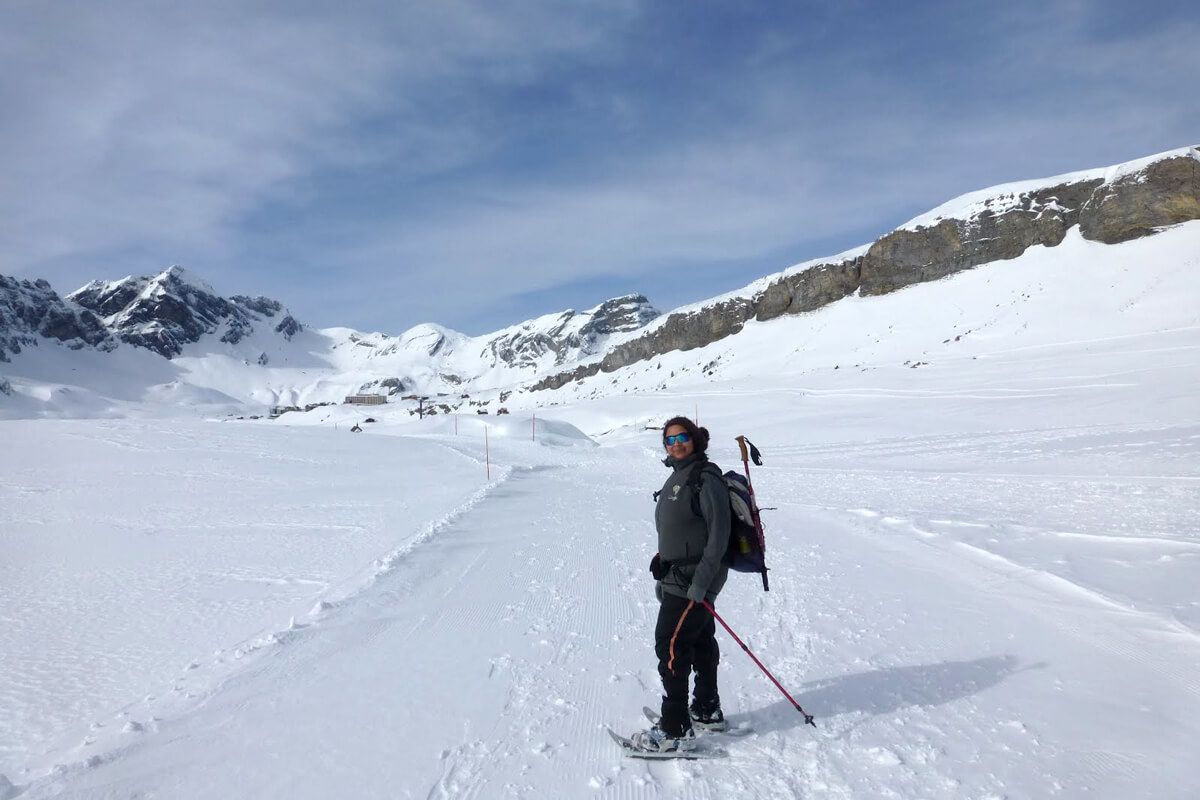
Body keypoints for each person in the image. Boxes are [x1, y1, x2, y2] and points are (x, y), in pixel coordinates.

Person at [631, 416, 731, 753]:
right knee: (699, 640)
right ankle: (706, 708)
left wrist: (701, 583)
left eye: (682, 438)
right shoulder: (679, 475)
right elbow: (679, 527)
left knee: (670, 645)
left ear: (695, 439)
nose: (676, 445)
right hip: (679, 576)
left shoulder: (706, 478)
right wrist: (665, 560)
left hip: (694, 580)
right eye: (670, 441)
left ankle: (675, 728)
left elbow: (718, 537)